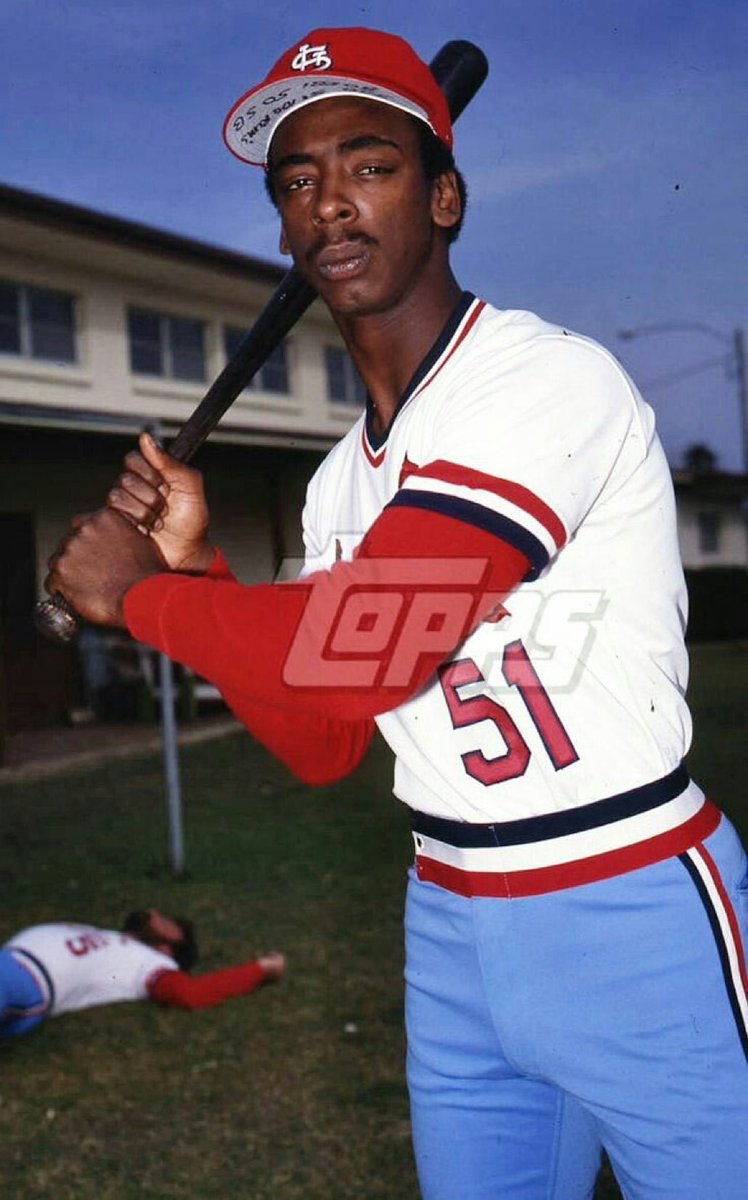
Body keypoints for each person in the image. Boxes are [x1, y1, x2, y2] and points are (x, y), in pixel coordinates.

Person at [43, 26, 748, 1200]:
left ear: (447, 197)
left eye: (369, 165)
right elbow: (324, 737)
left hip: (628, 901)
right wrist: (198, 571)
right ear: (281, 228)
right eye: (299, 181)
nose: (330, 204)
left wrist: (140, 595)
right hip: (451, 920)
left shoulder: (539, 379)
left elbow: (368, 649)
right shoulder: (337, 485)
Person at [1, 908, 285, 1040]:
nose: (155, 913)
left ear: (168, 950)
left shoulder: (148, 964)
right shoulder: (112, 938)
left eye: (167, 922)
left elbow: (191, 994)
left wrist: (261, 969)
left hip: (25, 982)